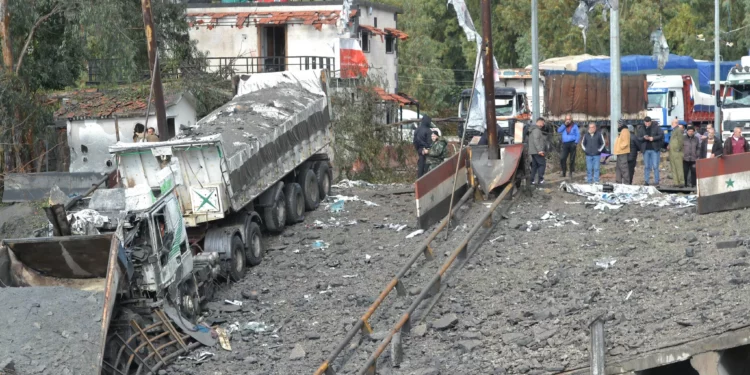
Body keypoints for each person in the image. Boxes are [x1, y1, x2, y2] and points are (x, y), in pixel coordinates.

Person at [638, 116, 663, 186]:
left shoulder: (656, 127)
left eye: (648, 122)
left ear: (650, 121)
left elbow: (661, 135)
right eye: (646, 122)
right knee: (646, 166)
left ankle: (656, 181)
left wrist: (653, 138)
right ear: (644, 122)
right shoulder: (641, 128)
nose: (647, 124)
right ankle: (646, 181)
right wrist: (643, 138)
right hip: (645, 150)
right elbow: (639, 138)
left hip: (654, 149)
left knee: (655, 166)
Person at [528, 117, 547, 186]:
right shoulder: (536, 130)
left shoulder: (533, 129)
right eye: (542, 123)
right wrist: (540, 150)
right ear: (539, 122)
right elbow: (536, 140)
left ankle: (531, 180)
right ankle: (541, 180)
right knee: (542, 164)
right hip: (537, 151)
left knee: (534, 166)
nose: (543, 124)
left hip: (533, 151)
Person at [667, 118, 685, 187]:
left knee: (679, 167)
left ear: (676, 123)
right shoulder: (673, 130)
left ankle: (681, 182)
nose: (672, 124)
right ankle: (676, 182)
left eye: (673, 123)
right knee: (673, 167)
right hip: (672, 152)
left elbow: (680, 140)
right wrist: (669, 145)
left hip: (677, 152)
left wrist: (678, 149)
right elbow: (672, 140)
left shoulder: (678, 130)